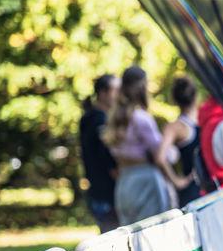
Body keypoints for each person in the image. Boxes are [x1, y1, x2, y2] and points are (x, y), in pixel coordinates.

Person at [102, 66, 177, 225]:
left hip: (124, 182)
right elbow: (160, 154)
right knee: (152, 230)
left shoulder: (113, 118)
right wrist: (173, 152)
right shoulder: (141, 118)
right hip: (146, 180)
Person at [79, 74, 120, 232]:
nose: (120, 95)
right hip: (108, 195)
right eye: (115, 90)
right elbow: (107, 158)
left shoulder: (88, 117)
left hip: (98, 193)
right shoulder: (99, 121)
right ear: (103, 93)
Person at [156, 76, 201, 207]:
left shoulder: (174, 127)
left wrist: (177, 181)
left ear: (174, 100)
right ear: (196, 96)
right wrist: (177, 182)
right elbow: (160, 158)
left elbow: (160, 157)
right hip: (208, 184)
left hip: (192, 188)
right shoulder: (205, 117)